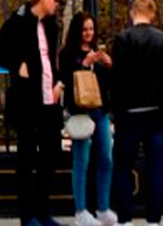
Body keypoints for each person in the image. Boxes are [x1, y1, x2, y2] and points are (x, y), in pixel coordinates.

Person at [0, 0, 65, 226]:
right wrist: (16, 63)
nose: (57, 4)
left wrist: (59, 83)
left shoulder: (52, 26)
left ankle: (42, 211)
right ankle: (27, 216)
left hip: (50, 100)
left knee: (51, 155)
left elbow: (53, 59)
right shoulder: (17, 23)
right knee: (27, 158)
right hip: (27, 103)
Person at [107, 0, 163, 226]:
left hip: (129, 111)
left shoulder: (122, 39)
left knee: (123, 167)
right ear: (153, 14)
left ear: (132, 13)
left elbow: (116, 77)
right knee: (156, 166)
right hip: (158, 110)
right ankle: (153, 219)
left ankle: (125, 219)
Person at [59, 12, 117, 226]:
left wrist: (110, 66)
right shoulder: (67, 54)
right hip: (80, 111)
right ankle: (81, 211)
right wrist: (84, 64)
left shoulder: (98, 52)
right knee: (81, 161)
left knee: (106, 159)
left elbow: (109, 84)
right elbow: (66, 79)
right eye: (85, 29)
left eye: (91, 29)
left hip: (100, 111)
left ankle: (103, 207)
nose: (89, 33)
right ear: (77, 31)